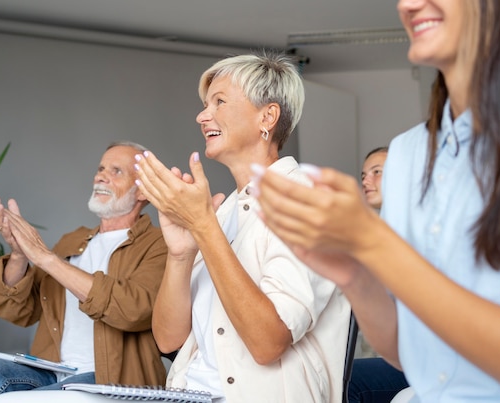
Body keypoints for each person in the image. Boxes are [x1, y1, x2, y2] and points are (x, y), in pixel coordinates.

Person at [251, 0, 500, 402]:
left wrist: (372, 241)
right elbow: (410, 355)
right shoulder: (409, 153)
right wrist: (352, 272)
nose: (407, 4)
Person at [133, 52, 350, 402]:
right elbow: (168, 340)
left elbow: (267, 344)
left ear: (267, 116)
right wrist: (180, 253)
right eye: (206, 104)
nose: (202, 116)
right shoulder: (223, 213)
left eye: (219, 101)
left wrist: (204, 227)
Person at [0, 141, 169, 402]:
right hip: (51, 370)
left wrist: (46, 258)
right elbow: (19, 310)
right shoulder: (72, 240)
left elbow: (134, 310)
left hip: (110, 377)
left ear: (143, 190)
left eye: (116, 171)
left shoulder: (159, 244)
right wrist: (21, 254)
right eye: (100, 168)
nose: (100, 175)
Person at [349, 145, 409, 403]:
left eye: (377, 172)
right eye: (363, 175)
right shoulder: (373, 234)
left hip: (416, 361)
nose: (366, 180)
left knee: (347, 382)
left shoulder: (412, 234)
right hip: (387, 352)